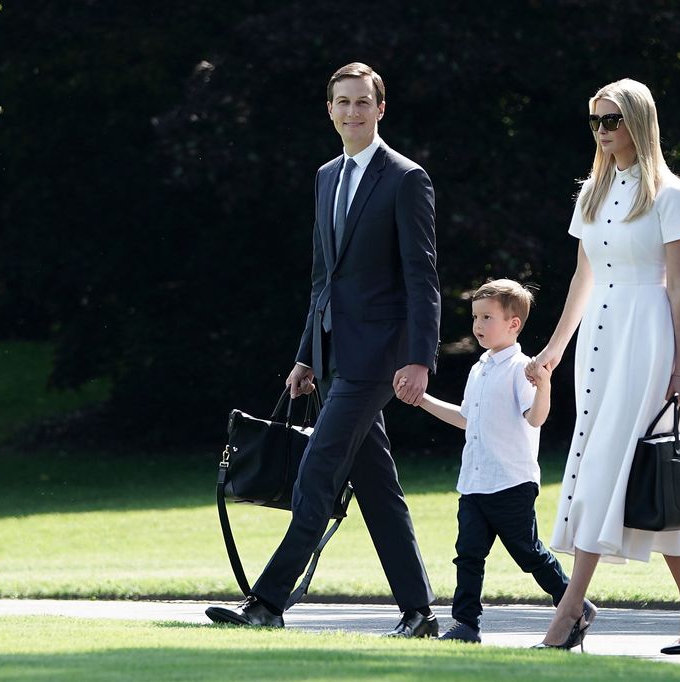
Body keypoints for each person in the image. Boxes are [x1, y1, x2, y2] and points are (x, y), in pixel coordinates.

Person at [206, 62, 442, 637]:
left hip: (377, 360)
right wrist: (307, 354)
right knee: (380, 491)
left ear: (380, 109)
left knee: (316, 475)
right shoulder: (325, 176)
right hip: (333, 358)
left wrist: (419, 359)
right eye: (343, 102)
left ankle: (267, 603)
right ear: (330, 109)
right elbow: (322, 277)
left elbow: (423, 277)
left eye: (364, 102)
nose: (353, 112)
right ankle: (420, 613)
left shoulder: (406, 178)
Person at [526, 78, 680, 654]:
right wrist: (555, 348)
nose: (604, 131)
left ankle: (569, 613)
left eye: (612, 120)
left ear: (639, 122)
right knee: (636, 474)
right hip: (599, 341)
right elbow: (583, 278)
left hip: (648, 335)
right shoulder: (592, 192)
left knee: (607, 467)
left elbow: (679, 287)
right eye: (595, 121)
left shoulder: (670, 195)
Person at [412, 279, 582, 644]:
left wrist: (546, 385)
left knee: (530, 555)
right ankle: (466, 625)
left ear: (513, 324)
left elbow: (535, 418)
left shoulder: (523, 369)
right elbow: (466, 418)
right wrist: (422, 399)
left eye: (487, 317)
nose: (477, 325)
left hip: (511, 484)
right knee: (468, 556)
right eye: (476, 316)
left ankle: (574, 606)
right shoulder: (479, 368)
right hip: (473, 483)